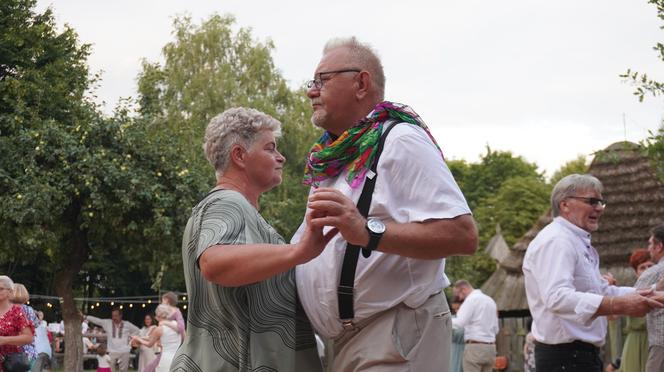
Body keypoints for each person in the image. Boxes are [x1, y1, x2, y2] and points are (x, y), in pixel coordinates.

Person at [294, 37, 478, 371]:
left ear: (360, 83)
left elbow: (462, 235)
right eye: (312, 82)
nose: (311, 91)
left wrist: (367, 231)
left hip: (395, 331)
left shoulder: (401, 140)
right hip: (354, 340)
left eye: (322, 80)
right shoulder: (335, 157)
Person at [170, 107, 336, 371]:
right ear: (239, 155)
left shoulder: (238, 209)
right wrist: (300, 252)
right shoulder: (227, 202)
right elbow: (216, 263)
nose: (280, 157)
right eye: (270, 148)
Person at [523, 174, 664, 372]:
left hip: (577, 357)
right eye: (592, 201)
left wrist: (652, 290)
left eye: (601, 202)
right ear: (565, 205)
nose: (599, 208)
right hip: (565, 358)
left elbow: (602, 290)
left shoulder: (575, 241)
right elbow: (557, 297)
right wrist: (618, 305)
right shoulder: (557, 241)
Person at [451, 280, 499, 372]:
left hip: (475, 347)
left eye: (458, 294)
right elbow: (496, 329)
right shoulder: (490, 301)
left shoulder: (471, 300)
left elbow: (459, 322)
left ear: (463, 289)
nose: (459, 298)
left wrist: (444, 321)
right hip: (491, 348)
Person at [635, 224, 664, 372]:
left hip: (661, 343)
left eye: (650, 244)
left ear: (659, 246)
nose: (649, 249)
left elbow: (632, 298)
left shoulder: (654, 272)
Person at [85, 308, 139, 372]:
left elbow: (137, 331)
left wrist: (131, 340)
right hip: (112, 351)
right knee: (110, 370)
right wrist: (86, 317)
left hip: (125, 351)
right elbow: (97, 320)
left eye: (116, 316)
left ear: (120, 316)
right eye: (113, 315)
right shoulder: (107, 323)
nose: (114, 317)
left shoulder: (127, 324)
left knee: (123, 370)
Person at [0, 276, 34, 372]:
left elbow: (28, 337)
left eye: (1, 289)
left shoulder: (16, 311)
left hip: (8, 363)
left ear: (10, 292)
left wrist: (4, 340)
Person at [131, 305, 180, 372]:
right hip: (173, 355)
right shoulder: (176, 324)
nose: (156, 318)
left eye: (157, 316)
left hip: (164, 356)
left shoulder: (158, 328)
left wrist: (138, 338)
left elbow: (149, 343)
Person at [10, 283, 38, 364]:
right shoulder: (29, 310)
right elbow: (36, 324)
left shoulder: (7, 309)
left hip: (11, 352)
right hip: (29, 352)